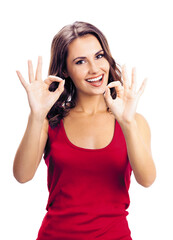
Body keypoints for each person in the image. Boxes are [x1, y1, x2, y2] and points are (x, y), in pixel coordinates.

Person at [13, 21, 156, 240]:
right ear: (65, 70)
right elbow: (22, 176)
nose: (94, 69)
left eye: (99, 56)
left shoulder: (133, 121)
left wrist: (127, 123)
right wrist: (36, 114)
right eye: (80, 61)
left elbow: (147, 180)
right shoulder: (49, 121)